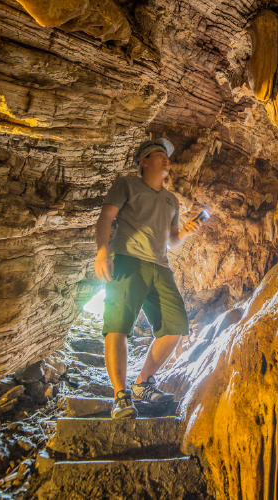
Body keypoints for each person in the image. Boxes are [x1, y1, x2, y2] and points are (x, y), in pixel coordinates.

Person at [94, 138, 203, 419]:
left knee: (176, 326)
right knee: (117, 325)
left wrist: (186, 231)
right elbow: (106, 216)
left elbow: (171, 241)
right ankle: (120, 396)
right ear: (144, 161)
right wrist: (103, 251)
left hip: (160, 266)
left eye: (166, 155)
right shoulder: (127, 185)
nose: (166, 159)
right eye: (158, 154)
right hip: (128, 259)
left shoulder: (171, 200)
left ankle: (142, 382)